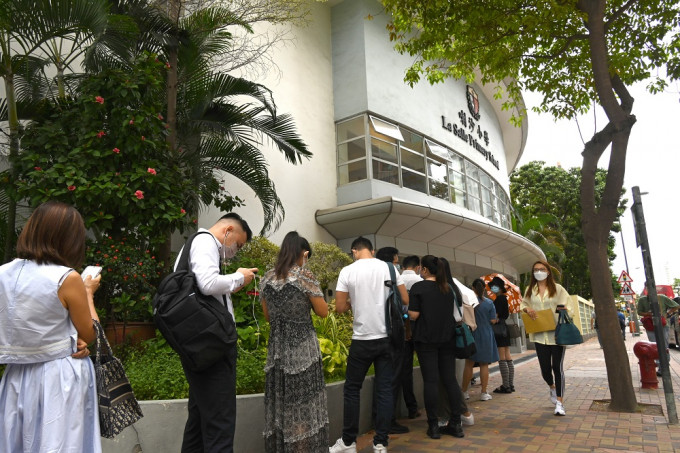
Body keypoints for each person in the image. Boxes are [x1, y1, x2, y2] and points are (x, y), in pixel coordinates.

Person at [0, 201, 102, 452]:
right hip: (59, 376)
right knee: (60, 443)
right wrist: (88, 293)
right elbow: (89, 333)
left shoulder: (3, 273)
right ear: (69, 239)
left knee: (15, 441)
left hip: (16, 375)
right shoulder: (67, 277)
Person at [175, 213, 257, 452]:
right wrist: (239, 276)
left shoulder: (194, 243)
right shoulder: (205, 242)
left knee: (199, 419)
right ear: (228, 230)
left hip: (200, 345)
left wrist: (234, 281)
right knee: (220, 423)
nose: (235, 250)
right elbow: (207, 283)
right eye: (238, 244)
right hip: (212, 347)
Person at [329, 237, 408, 453]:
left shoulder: (348, 271)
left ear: (354, 251)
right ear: (372, 250)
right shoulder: (389, 269)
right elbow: (405, 299)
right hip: (387, 338)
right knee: (384, 391)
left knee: (352, 389)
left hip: (362, 340)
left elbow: (339, 308)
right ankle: (380, 443)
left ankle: (348, 442)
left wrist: (355, 300)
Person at [260, 232, 329, 452]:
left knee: (282, 405)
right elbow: (323, 312)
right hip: (303, 352)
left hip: (277, 351)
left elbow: (269, 317)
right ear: (303, 253)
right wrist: (304, 268)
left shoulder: (267, 278)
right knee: (303, 406)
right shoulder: (304, 276)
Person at [409, 255, 469, 440]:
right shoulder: (448, 288)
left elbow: (414, 315)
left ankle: (434, 426)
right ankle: (456, 424)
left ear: (424, 270)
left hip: (426, 340)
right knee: (450, 380)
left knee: (431, 382)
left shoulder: (418, 287)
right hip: (448, 339)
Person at [520, 260, 570, 416]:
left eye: (542, 269)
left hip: (557, 335)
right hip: (539, 335)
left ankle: (560, 403)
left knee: (557, 367)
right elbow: (522, 305)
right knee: (545, 369)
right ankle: (552, 387)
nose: (539, 271)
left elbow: (568, 306)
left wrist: (561, 309)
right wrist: (527, 308)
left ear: (548, 271)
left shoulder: (558, 289)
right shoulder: (529, 290)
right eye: (536, 269)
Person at [373, 247, 410, 435]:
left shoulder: (367, 271)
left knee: (379, 377)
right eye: (397, 260)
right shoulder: (390, 269)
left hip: (370, 332)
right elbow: (404, 298)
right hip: (391, 330)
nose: (397, 263)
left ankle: (377, 418)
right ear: (392, 260)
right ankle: (389, 421)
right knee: (392, 377)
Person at [461, 279, 499, 402]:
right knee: (484, 364)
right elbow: (493, 320)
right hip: (486, 333)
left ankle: (464, 392)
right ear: (484, 288)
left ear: (473, 288)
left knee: (469, 364)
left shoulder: (469, 302)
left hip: (472, 334)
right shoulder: (489, 303)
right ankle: (483, 393)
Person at [398, 255, 422, 420]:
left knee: (405, 370)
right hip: (419, 327)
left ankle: (412, 407)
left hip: (401, 326)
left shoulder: (397, 280)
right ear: (418, 266)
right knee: (428, 365)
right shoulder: (420, 281)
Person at [489, 276, 515, 393]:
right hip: (505, 329)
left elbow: (495, 318)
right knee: (508, 356)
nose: (492, 288)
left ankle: (505, 386)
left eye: (494, 286)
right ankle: (510, 384)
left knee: (502, 357)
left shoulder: (499, 299)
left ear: (499, 287)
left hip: (499, 329)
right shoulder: (505, 298)